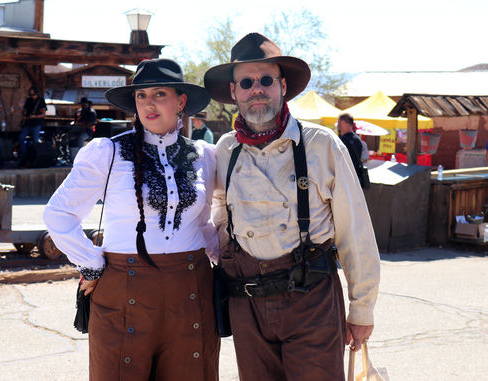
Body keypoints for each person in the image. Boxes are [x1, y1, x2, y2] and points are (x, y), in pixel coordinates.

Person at [205, 33, 380, 380]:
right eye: (247, 82)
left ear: (282, 86)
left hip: (311, 300)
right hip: (248, 304)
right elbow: (219, 209)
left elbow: (354, 229)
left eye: (266, 80)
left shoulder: (321, 144)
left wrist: (362, 309)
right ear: (234, 91)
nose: (257, 89)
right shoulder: (225, 150)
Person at [43, 58, 220, 381]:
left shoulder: (205, 156)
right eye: (141, 96)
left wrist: (227, 262)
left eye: (159, 94)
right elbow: (58, 214)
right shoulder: (107, 152)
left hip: (191, 289)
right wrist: (92, 263)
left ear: (181, 101)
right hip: (124, 289)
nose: (148, 103)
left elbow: (205, 223)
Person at [18, 85, 47, 158]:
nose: (32, 96)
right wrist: (23, 116)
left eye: (34, 94)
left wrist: (35, 116)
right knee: (21, 138)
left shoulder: (41, 101)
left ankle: (35, 157)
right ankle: (24, 155)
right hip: (27, 123)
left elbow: (43, 114)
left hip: (36, 124)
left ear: (37, 93)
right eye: (31, 94)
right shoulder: (28, 100)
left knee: (35, 141)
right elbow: (24, 110)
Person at [337, 112, 365, 183]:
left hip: (345, 178)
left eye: (338, 123)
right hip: (357, 177)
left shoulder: (342, 141)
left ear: (343, 123)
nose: (337, 126)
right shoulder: (358, 139)